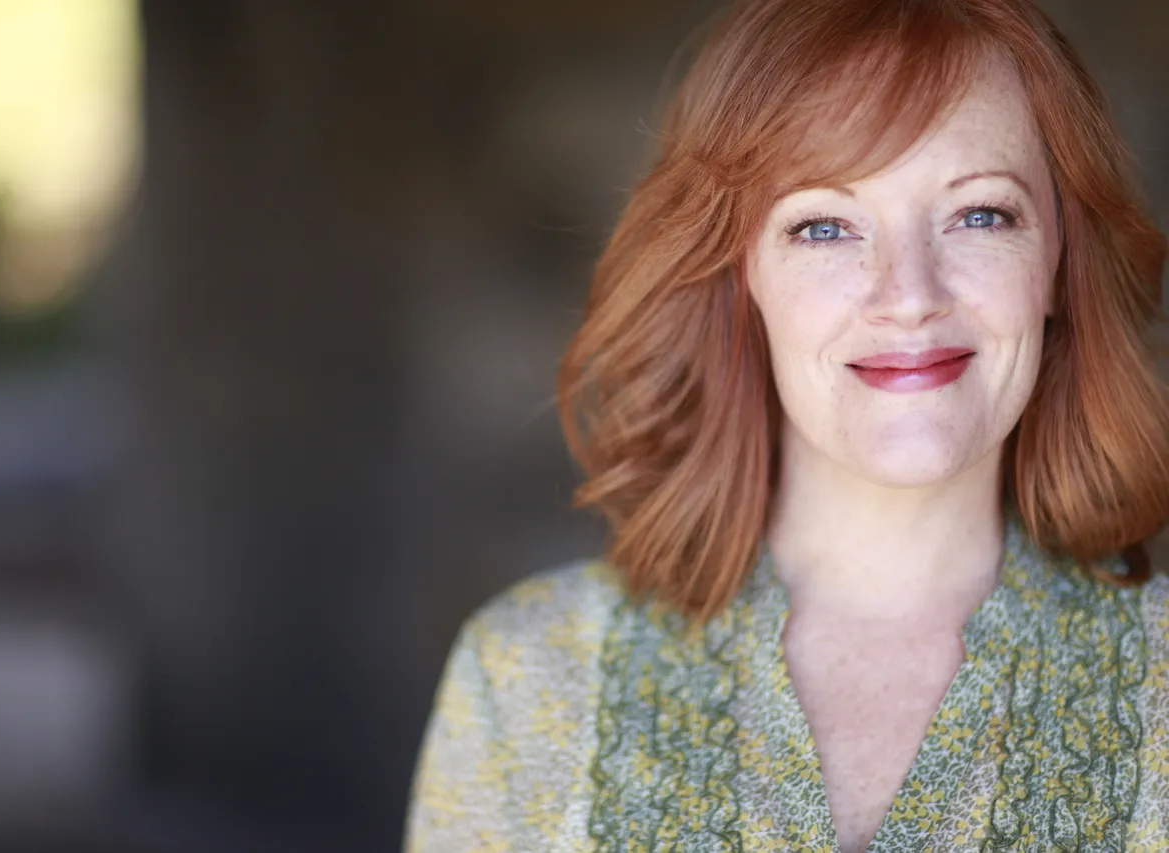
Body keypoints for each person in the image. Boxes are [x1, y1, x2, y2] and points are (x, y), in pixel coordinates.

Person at [405, 0, 1169, 849]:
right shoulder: (528, 676)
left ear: (1059, 261)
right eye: (825, 226)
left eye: (979, 214)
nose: (909, 294)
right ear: (742, 277)